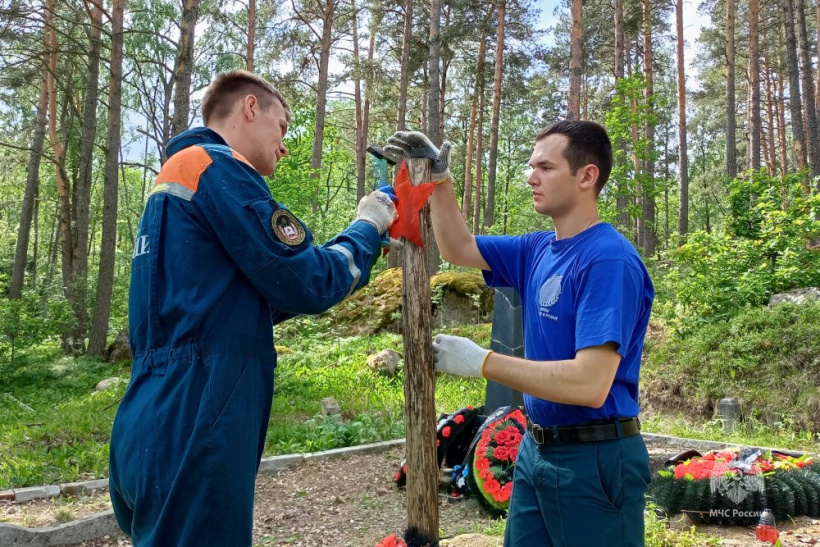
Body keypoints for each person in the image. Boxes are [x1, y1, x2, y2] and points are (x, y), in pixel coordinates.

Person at [109, 70, 397, 546]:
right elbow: (308, 281)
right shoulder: (217, 168)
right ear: (248, 108)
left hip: (152, 414)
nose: (283, 145)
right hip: (200, 412)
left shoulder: (178, 181)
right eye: (281, 127)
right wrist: (368, 225)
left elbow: (248, 299)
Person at [384, 121, 654, 547]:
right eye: (532, 166)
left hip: (594, 458)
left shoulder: (608, 260)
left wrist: (483, 363)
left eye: (545, 167)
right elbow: (457, 247)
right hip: (536, 448)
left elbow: (590, 383)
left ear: (587, 176)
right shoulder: (536, 249)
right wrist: (440, 179)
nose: (531, 177)